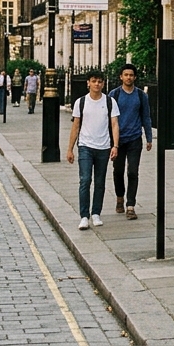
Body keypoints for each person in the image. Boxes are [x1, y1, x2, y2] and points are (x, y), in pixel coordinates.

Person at [66, 71, 120, 230]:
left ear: (103, 84)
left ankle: (96, 213)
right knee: (85, 180)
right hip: (85, 146)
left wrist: (115, 146)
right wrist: (70, 149)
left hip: (103, 147)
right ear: (88, 83)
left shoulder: (110, 102)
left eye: (100, 81)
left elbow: (115, 124)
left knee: (99, 182)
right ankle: (84, 216)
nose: (97, 84)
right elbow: (75, 126)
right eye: (94, 81)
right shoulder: (80, 102)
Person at [109, 64, 153, 219]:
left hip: (135, 138)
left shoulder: (141, 96)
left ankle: (130, 205)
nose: (128, 77)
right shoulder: (114, 95)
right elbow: (108, 119)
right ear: (121, 77)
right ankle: (120, 198)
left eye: (131, 75)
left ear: (135, 77)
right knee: (118, 171)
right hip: (118, 140)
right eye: (125, 75)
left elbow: (146, 117)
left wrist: (148, 137)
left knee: (133, 172)